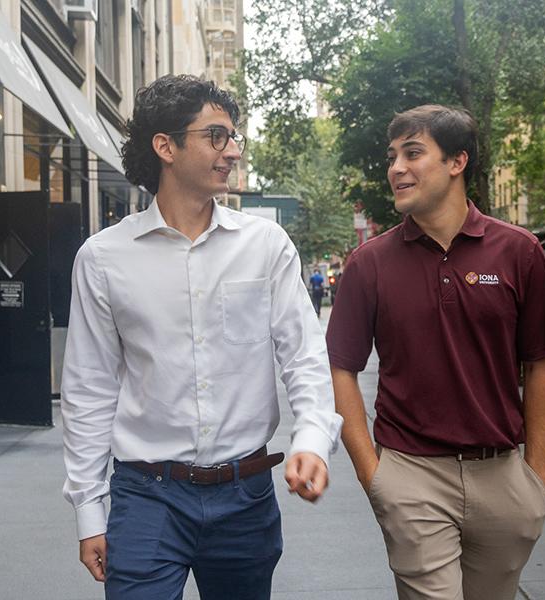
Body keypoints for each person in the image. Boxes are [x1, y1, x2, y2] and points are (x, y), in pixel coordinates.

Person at [61, 74, 342, 600]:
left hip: (247, 493)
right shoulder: (103, 258)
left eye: (233, 137)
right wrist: (88, 510)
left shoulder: (266, 245)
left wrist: (312, 440)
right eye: (216, 136)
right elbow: (88, 389)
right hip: (146, 496)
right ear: (165, 146)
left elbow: (303, 356)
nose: (232, 150)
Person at [326, 104, 545, 600]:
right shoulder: (368, 263)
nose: (396, 168)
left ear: (457, 162)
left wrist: (534, 475)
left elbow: (542, 362)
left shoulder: (520, 252)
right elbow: (340, 369)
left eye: (413, 153)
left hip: (503, 475)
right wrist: (375, 478)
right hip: (411, 475)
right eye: (392, 156)